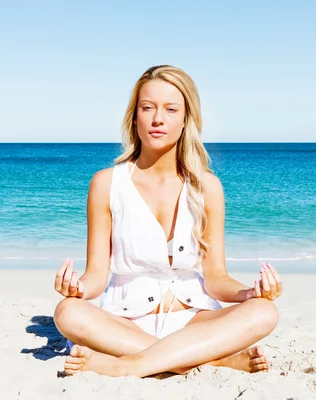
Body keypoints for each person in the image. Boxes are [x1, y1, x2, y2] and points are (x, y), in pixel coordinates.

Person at [53, 65, 283, 378]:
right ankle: (211, 359)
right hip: (125, 322)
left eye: (170, 109)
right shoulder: (106, 183)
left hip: (194, 321)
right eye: (147, 108)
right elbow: (96, 276)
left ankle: (129, 365)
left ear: (186, 119)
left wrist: (251, 293)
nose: (157, 118)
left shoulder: (207, 187)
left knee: (264, 312)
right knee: (68, 311)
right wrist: (76, 287)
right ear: (135, 117)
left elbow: (216, 279)